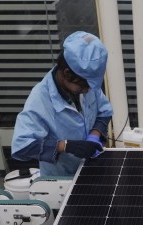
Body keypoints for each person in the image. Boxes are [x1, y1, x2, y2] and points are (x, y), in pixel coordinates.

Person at [11, 31, 113, 177]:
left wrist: (94, 136)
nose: (87, 91)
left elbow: (104, 111)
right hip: (61, 179)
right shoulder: (40, 99)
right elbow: (21, 147)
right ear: (66, 73)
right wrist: (65, 146)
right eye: (84, 86)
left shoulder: (86, 83)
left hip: (90, 169)